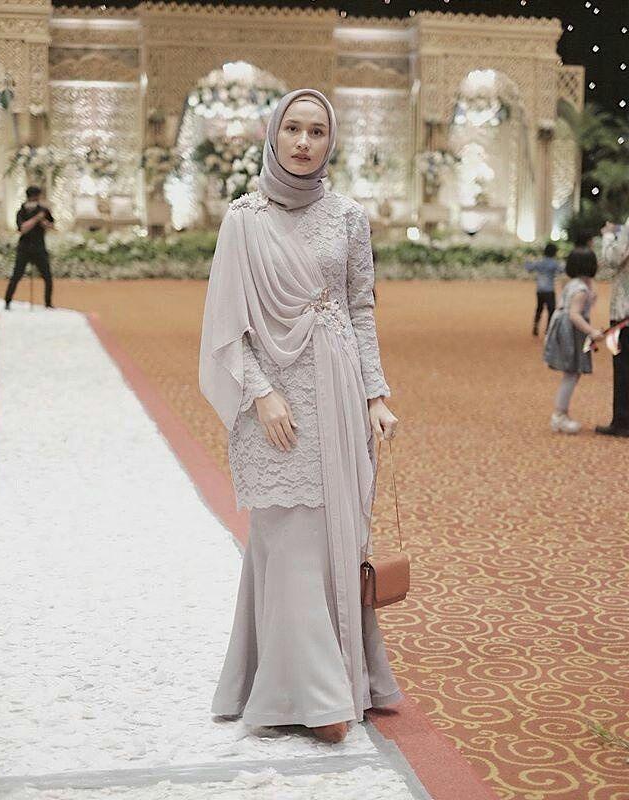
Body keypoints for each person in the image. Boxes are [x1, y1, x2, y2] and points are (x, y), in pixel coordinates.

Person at [199, 89, 403, 745]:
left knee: (334, 537)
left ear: (330, 141)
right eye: (293, 128)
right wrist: (261, 393)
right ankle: (312, 695)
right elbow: (227, 326)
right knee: (287, 534)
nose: (304, 142)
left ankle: (331, 682)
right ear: (273, 134)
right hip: (272, 402)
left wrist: (374, 394)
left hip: (338, 393)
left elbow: (360, 308)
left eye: (317, 131)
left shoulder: (348, 217)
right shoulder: (243, 220)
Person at [543, 246, 603, 434]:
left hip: (566, 328)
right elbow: (575, 315)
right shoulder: (580, 290)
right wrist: (592, 332)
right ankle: (559, 415)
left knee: (572, 373)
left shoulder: (574, 284)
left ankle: (562, 414)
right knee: (571, 373)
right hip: (571, 331)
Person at [596, 219, 629, 437]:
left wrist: (608, 235)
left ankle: (623, 421)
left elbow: (614, 258)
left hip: (625, 310)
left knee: (623, 365)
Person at [5, 186, 55, 310]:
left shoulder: (44, 210)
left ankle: (48, 303)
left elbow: (51, 225)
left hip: (39, 248)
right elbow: (23, 228)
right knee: (17, 275)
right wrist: (36, 219)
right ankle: (7, 301)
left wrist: (44, 222)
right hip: (24, 248)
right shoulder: (21, 212)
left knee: (47, 277)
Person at [525, 243, 563, 336]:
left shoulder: (539, 262)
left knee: (539, 308)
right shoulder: (554, 263)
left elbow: (529, 268)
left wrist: (527, 260)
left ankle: (536, 325)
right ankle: (548, 329)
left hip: (540, 290)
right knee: (551, 310)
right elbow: (562, 270)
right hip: (549, 290)